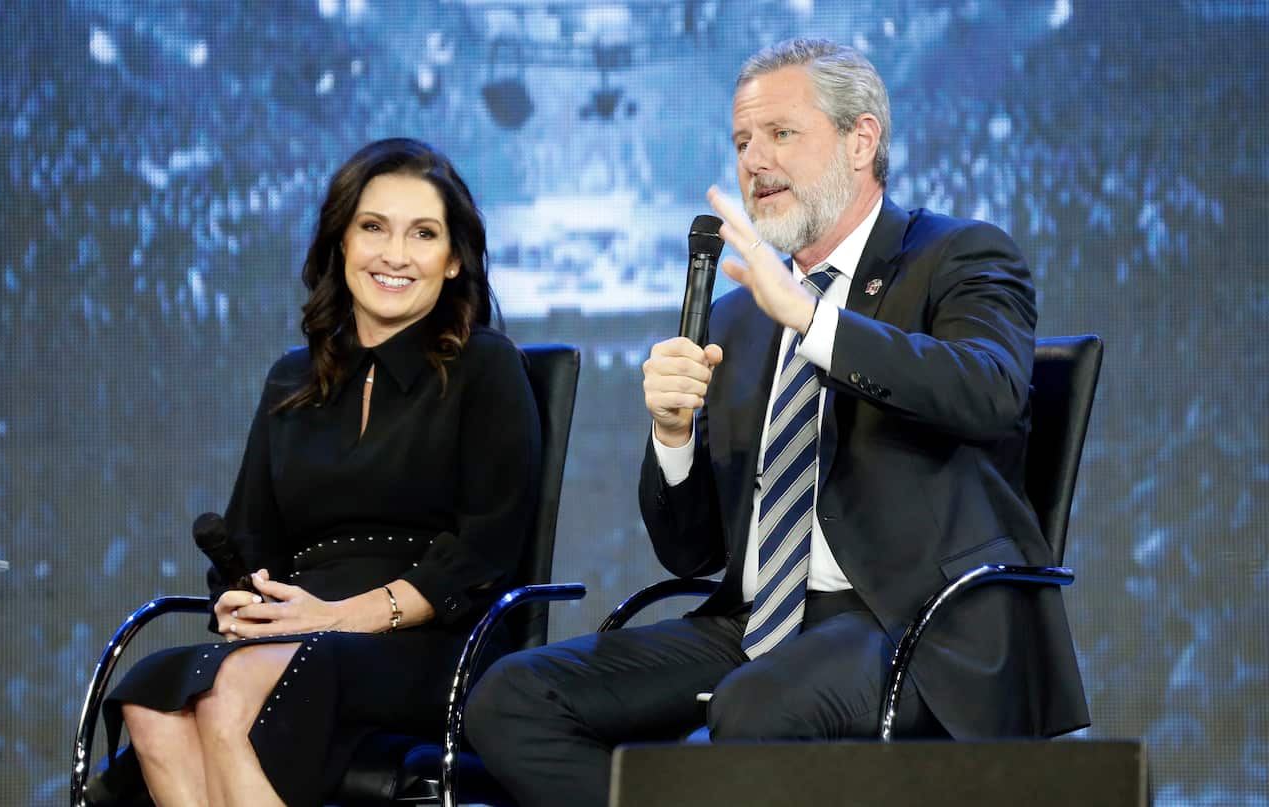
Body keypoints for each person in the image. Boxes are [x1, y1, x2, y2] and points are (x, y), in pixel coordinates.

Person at [465, 38, 1089, 806]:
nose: (754, 159)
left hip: (914, 623)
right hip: (755, 623)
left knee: (759, 704)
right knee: (511, 698)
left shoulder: (960, 255)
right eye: (740, 141)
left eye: (781, 134)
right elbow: (689, 549)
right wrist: (671, 438)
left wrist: (815, 319)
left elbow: (991, 388)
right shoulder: (737, 316)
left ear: (861, 141)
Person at [101, 138, 541, 807]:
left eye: (422, 233)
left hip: (436, 635)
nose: (395, 254)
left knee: (228, 700)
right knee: (152, 699)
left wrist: (341, 618)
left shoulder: (487, 367)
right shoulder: (291, 378)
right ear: (341, 242)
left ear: (453, 260)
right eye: (373, 228)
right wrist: (240, 597)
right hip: (303, 628)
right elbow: (251, 536)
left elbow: (484, 551)